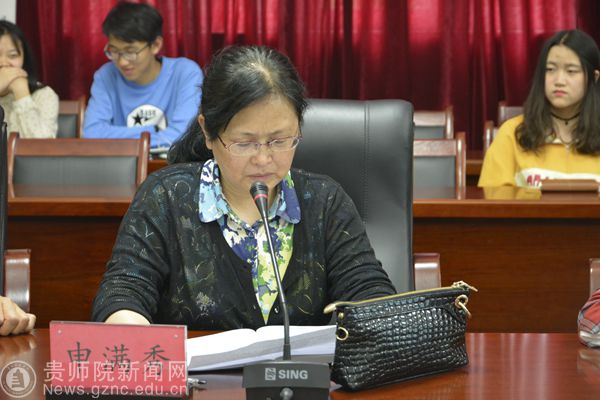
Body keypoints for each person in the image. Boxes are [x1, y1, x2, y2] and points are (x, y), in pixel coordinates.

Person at [91, 45, 396, 330]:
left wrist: (376, 320)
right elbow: (123, 292)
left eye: (280, 140)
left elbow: (369, 290)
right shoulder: (165, 197)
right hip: (198, 372)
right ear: (208, 132)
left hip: (303, 372)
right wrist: (129, 324)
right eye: (244, 143)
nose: (263, 158)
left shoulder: (325, 201)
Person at [479, 30, 600, 188]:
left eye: (571, 71)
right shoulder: (513, 134)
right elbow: (492, 199)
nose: (559, 80)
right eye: (550, 69)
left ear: (594, 77)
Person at [83, 2, 203, 149]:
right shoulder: (105, 76)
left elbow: (183, 136)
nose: (122, 62)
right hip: (121, 163)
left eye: (131, 52)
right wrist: (154, 129)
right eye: (114, 51)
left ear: (155, 45)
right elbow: (92, 133)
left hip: (170, 162)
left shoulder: (185, 73)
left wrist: (117, 137)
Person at [0, 20, 58, 138]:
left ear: (24, 59)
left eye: (12, 55)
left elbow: (42, 146)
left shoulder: (44, 95)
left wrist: (22, 93)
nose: (3, 63)